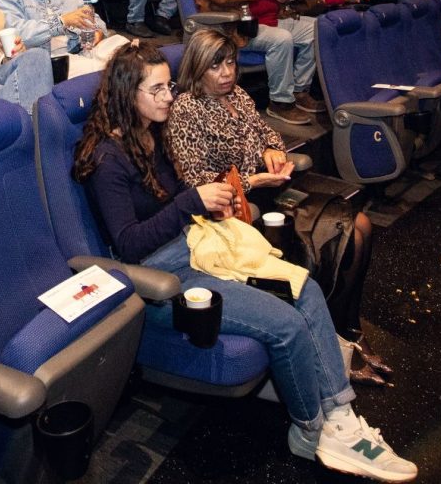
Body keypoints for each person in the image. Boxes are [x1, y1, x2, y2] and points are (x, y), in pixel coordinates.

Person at [72, 41, 415, 479]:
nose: (168, 97)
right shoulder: (107, 158)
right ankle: (311, 429)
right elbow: (129, 244)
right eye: (156, 89)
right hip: (162, 277)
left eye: (169, 86)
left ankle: (340, 418)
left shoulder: (151, 134)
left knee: (306, 289)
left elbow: (173, 201)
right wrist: (190, 202)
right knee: (286, 322)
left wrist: (205, 202)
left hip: (197, 245)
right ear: (126, 93)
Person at [168, 28, 391, 385]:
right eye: (215, 66)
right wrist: (253, 181)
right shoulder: (186, 109)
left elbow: (266, 132)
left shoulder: (238, 96)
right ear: (197, 67)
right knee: (345, 235)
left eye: (230, 63)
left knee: (361, 226)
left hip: (266, 193)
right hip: (231, 210)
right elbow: (194, 182)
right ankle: (339, 342)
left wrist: (272, 150)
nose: (227, 73)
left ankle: (349, 328)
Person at [192, 0, 326, 125]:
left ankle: (300, 90)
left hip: (264, 20)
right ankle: (280, 102)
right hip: (233, 29)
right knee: (281, 38)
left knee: (316, 29)